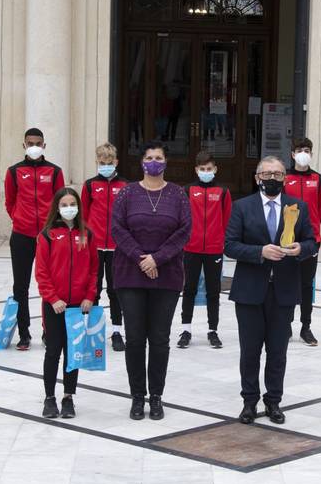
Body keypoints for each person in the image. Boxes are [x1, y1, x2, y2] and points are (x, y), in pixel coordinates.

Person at [224, 156, 317, 425]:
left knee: (278, 351)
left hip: (284, 290)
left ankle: (274, 401)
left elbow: (312, 241)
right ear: (257, 177)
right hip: (250, 290)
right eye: (267, 174)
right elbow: (229, 245)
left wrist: (302, 249)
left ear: (285, 178)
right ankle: (249, 402)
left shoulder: (298, 206)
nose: (272, 179)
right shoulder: (242, 207)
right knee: (250, 350)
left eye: (277, 174)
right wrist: (259, 252)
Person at [111, 141, 191, 421]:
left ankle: (155, 396)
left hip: (166, 276)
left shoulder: (178, 194)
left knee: (159, 340)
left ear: (165, 162)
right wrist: (141, 258)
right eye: (149, 157)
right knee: (134, 339)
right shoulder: (127, 193)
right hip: (130, 275)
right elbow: (117, 229)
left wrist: (157, 259)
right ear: (142, 162)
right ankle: (136, 396)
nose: (154, 161)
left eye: (158, 157)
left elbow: (184, 232)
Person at [34, 188, 98, 419]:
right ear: (57, 207)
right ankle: (49, 398)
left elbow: (93, 269)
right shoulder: (47, 235)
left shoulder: (87, 234)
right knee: (53, 351)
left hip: (76, 306)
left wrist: (90, 295)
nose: (69, 208)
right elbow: (41, 272)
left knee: (73, 353)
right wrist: (52, 298)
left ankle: (68, 397)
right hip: (54, 306)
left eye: (73, 203)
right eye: (65, 204)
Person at [4, 128, 65, 350]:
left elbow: (62, 201)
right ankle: (24, 333)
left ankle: (49, 331)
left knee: (49, 285)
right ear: (24, 145)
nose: (34, 146)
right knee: (20, 286)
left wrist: (50, 228)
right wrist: (20, 220)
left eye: (38, 143)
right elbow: (10, 202)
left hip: (48, 237)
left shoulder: (55, 171)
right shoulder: (13, 172)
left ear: (44, 145)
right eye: (30, 142)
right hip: (21, 236)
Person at [178, 150, 232, 349]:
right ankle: (186, 329)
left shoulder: (223, 192)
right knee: (189, 289)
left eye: (209, 169)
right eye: (202, 169)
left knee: (213, 291)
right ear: (196, 170)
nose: (206, 172)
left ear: (215, 169)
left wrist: (222, 242)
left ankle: (213, 330)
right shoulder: (187, 190)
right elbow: (182, 220)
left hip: (214, 250)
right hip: (191, 249)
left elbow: (227, 220)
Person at [82, 142, 127, 351]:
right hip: (95, 246)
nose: (106, 166)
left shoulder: (125, 186)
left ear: (115, 162)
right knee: (94, 288)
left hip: (117, 248)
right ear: (97, 163)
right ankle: (93, 329)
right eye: (102, 163)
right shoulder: (90, 185)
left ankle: (117, 331)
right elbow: (83, 214)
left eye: (109, 162)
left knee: (116, 290)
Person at [284, 137, 321, 346]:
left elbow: (320, 206)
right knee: (288, 281)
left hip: (311, 240)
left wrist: (315, 232)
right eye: (300, 149)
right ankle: (286, 324)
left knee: (307, 284)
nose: (303, 153)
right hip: (288, 239)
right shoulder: (284, 178)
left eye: (307, 150)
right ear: (292, 154)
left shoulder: (318, 179)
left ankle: (306, 327)